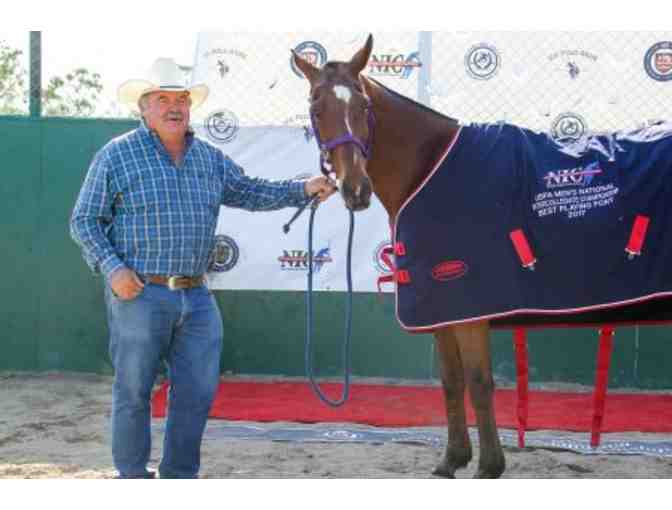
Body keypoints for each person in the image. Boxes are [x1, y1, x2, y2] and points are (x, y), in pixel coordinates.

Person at [69, 58, 336, 479]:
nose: (174, 107)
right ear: (144, 107)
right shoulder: (116, 155)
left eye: (181, 99)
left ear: (190, 106)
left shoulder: (209, 159)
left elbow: (250, 191)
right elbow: (84, 220)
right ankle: (132, 477)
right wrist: (113, 269)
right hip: (140, 292)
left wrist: (303, 189)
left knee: (196, 393)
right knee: (133, 390)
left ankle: (179, 477)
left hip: (196, 295)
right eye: (162, 99)